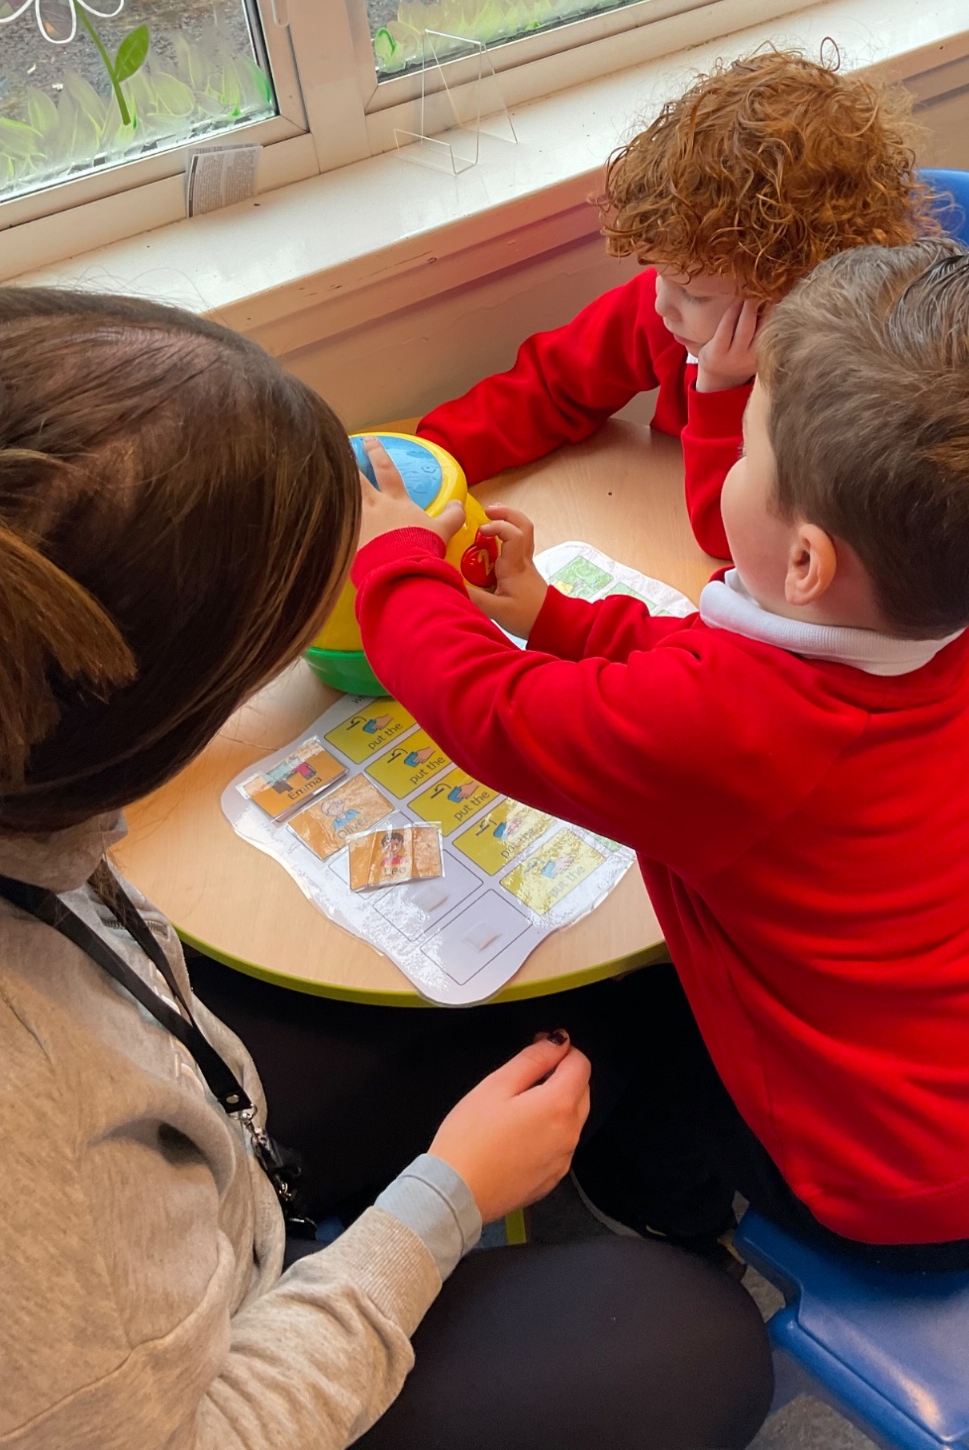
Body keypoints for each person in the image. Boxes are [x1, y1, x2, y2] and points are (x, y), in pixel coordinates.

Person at [0, 288, 774, 1450]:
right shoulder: (35, 1125)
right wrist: (442, 1199)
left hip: (195, 1191)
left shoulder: (38, 795)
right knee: (701, 1341)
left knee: (571, 1006)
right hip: (208, 1400)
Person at [353, 241, 969, 1272]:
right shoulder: (926, 632)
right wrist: (555, 616)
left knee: (639, 1085)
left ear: (807, 559)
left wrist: (394, 563)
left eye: (744, 451)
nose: (720, 455)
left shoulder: (729, 725)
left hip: (931, 1187)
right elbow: (716, 655)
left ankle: (672, 1213)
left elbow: (489, 710)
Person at [417, 49, 937, 558]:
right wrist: (433, 457)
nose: (662, 303)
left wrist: (720, 386)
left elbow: (734, 540)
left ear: (793, 294)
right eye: (660, 274)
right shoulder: (673, 309)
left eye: (694, 293)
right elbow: (554, 384)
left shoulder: (851, 384)